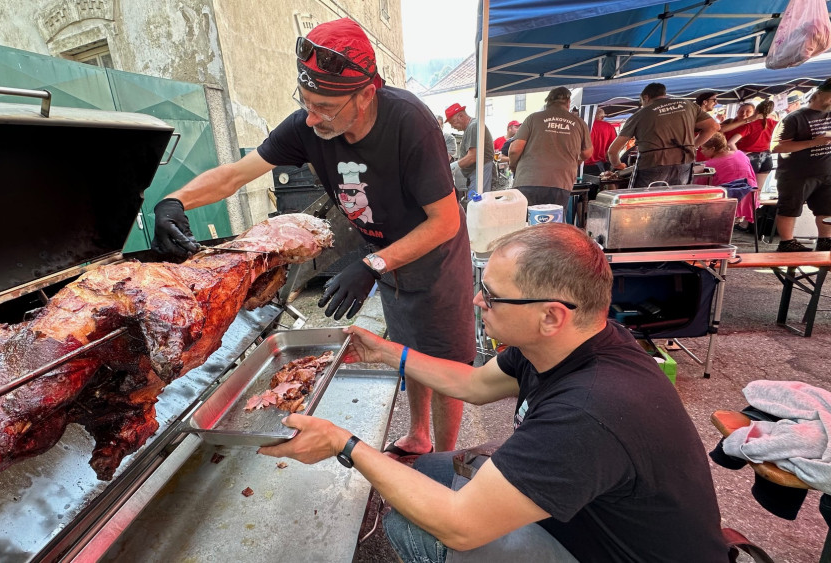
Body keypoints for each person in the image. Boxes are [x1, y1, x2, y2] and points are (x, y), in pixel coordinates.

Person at [259, 223, 729, 563]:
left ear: (551, 315)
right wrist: (385, 352)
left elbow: (461, 526)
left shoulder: (590, 411)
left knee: (419, 526)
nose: (477, 301)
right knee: (424, 470)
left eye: (493, 295)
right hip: (585, 517)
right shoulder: (564, 342)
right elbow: (473, 384)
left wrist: (344, 444)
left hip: (612, 552)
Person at [151, 17, 475, 457]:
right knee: (406, 347)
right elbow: (234, 175)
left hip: (434, 257)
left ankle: (444, 459)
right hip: (383, 253)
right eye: (304, 101)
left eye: (323, 105)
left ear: (365, 94)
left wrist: (371, 265)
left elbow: (444, 222)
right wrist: (173, 202)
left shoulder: (409, 121)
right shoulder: (308, 126)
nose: (310, 115)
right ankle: (419, 434)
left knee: (442, 360)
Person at [607, 82, 719, 187]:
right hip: (684, 162)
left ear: (646, 97)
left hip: (652, 164)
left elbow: (613, 150)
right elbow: (713, 127)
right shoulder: (688, 105)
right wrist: (693, 146)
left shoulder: (640, 115)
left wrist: (618, 165)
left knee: (645, 203)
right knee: (675, 201)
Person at [769, 78, 831, 252]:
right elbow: (776, 147)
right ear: (818, 94)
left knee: (826, 208)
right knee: (790, 207)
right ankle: (787, 242)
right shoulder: (794, 118)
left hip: (825, 171)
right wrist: (814, 143)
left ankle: (825, 239)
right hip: (796, 174)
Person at [508, 87, 592, 207]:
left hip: (529, 179)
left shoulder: (533, 118)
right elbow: (587, 153)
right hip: (561, 181)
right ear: (568, 102)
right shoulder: (579, 123)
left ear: (547, 102)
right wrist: (574, 162)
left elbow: (515, 149)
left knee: (528, 222)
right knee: (554, 223)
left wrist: (513, 166)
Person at [697, 132, 759, 229]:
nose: (701, 151)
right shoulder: (740, 154)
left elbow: (700, 187)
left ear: (713, 149)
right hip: (749, 197)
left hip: (728, 202)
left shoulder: (710, 165)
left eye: (703, 148)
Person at [725, 100, 778, 192]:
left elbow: (730, 143)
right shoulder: (775, 124)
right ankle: (756, 206)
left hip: (750, 158)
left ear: (756, 111)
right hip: (767, 158)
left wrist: (740, 155)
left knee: (745, 191)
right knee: (758, 192)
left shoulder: (749, 125)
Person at [446, 103, 498, 194]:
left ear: (461, 116)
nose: (452, 126)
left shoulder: (473, 126)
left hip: (481, 172)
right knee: (477, 204)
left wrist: (452, 167)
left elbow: (472, 156)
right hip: (478, 173)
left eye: (452, 122)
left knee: (478, 205)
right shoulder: (472, 127)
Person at [582, 108, 617, 175]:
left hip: (581, 163)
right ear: (602, 117)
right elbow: (612, 148)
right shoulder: (609, 127)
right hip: (599, 164)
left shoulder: (584, 125)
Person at [693, 91, 719, 161]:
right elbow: (717, 128)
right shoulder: (696, 117)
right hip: (697, 156)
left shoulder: (704, 118)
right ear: (705, 102)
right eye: (714, 100)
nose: (716, 103)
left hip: (700, 154)